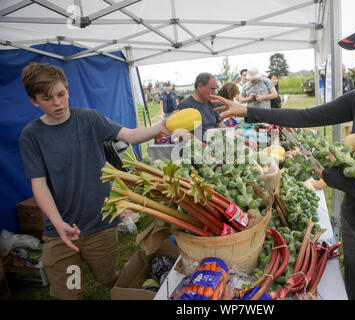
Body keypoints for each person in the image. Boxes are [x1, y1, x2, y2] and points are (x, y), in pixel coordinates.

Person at [211, 1, 355, 300]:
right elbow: (307, 116)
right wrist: (246, 111)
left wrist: (337, 180)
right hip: (353, 226)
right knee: (353, 294)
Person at [18, 62, 171, 300]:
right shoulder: (31, 135)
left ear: (67, 90)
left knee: (110, 279)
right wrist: (58, 224)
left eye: (61, 94)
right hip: (60, 232)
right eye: (47, 98)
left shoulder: (89, 119)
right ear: (34, 101)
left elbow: (129, 135)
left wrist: (160, 127)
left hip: (100, 224)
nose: (57, 102)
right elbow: (38, 184)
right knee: (71, 292)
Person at [177, 72, 227, 141]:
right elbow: (183, 133)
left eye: (215, 89)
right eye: (212, 89)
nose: (214, 93)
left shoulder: (211, 102)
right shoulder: (185, 105)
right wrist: (205, 147)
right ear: (200, 86)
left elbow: (219, 123)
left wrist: (231, 133)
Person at [342, 65, 355, 135]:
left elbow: (353, 90)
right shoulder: (335, 80)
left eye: (344, 70)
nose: (343, 72)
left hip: (347, 107)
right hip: (339, 107)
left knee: (348, 127)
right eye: (342, 70)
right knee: (338, 127)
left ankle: (348, 142)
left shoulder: (349, 80)